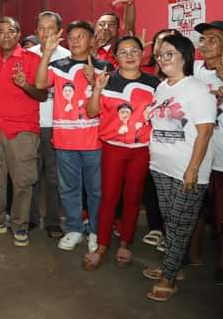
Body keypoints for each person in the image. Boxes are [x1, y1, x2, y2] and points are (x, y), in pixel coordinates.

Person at [143, 34, 215, 301]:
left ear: (185, 56)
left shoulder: (197, 89)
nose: (162, 59)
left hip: (187, 170)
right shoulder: (162, 88)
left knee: (180, 224)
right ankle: (173, 267)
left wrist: (193, 169)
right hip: (160, 167)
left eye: (169, 53)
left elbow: (205, 132)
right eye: (160, 55)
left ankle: (168, 279)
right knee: (171, 223)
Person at [35, 20, 113, 253]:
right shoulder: (58, 65)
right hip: (64, 139)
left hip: (94, 139)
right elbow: (40, 83)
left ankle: (96, 230)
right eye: (72, 37)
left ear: (91, 40)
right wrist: (47, 53)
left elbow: (111, 103)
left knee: (95, 190)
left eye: (81, 36)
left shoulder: (104, 66)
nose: (76, 40)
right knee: (68, 188)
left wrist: (93, 81)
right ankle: (74, 228)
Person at [83, 35, 159, 271]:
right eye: (123, 52)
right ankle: (102, 245)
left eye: (134, 50)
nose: (129, 55)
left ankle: (125, 243)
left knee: (133, 198)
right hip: (113, 147)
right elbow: (91, 112)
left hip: (141, 149)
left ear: (142, 54)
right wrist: (97, 89)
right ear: (115, 57)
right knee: (109, 197)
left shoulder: (155, 83)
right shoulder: (107, 80)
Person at [0, 17, 45, 247]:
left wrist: (25, 85)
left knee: (22, 180)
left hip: (22, 130)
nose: (5, 35)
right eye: (1, 31)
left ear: (18, 34)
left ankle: (19, 225)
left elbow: (42, 94)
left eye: (10, 31)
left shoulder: (32, 60)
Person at [28, 11, 70, 238]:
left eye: (50, 28)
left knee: (54, 177)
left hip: (57, 126)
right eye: (41, 29)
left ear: (59, 31)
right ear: (36, 31)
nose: (45, 33)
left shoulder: (68, 56)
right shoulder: (28, 54)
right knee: (31, 175)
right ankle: (31, 218)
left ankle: (53, 220)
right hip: (32, 123)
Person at [140, 28, 182, 250]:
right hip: (145, 140)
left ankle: (170, 232)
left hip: (173, 143)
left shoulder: (183, 78)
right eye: (161, 41)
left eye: (171, 43)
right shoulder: (144, 72)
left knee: (172, 191)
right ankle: (155, 226)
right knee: (151, 185)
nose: (164, 46)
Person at [188, 21, 223, 285]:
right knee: (195, 209)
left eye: (213, 39)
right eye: (203, 39)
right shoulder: (196, 70)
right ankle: (191, 254)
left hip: (222, 159)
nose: (206, 44)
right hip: (198, 155)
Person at [94, 0, 136, 65]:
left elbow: (129, 25)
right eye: (101, 24)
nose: (106, 27)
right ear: (95, 28)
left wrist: (129, 4)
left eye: (111, 24)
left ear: (118, 29)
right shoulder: (85, 48)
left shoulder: (122, 47)